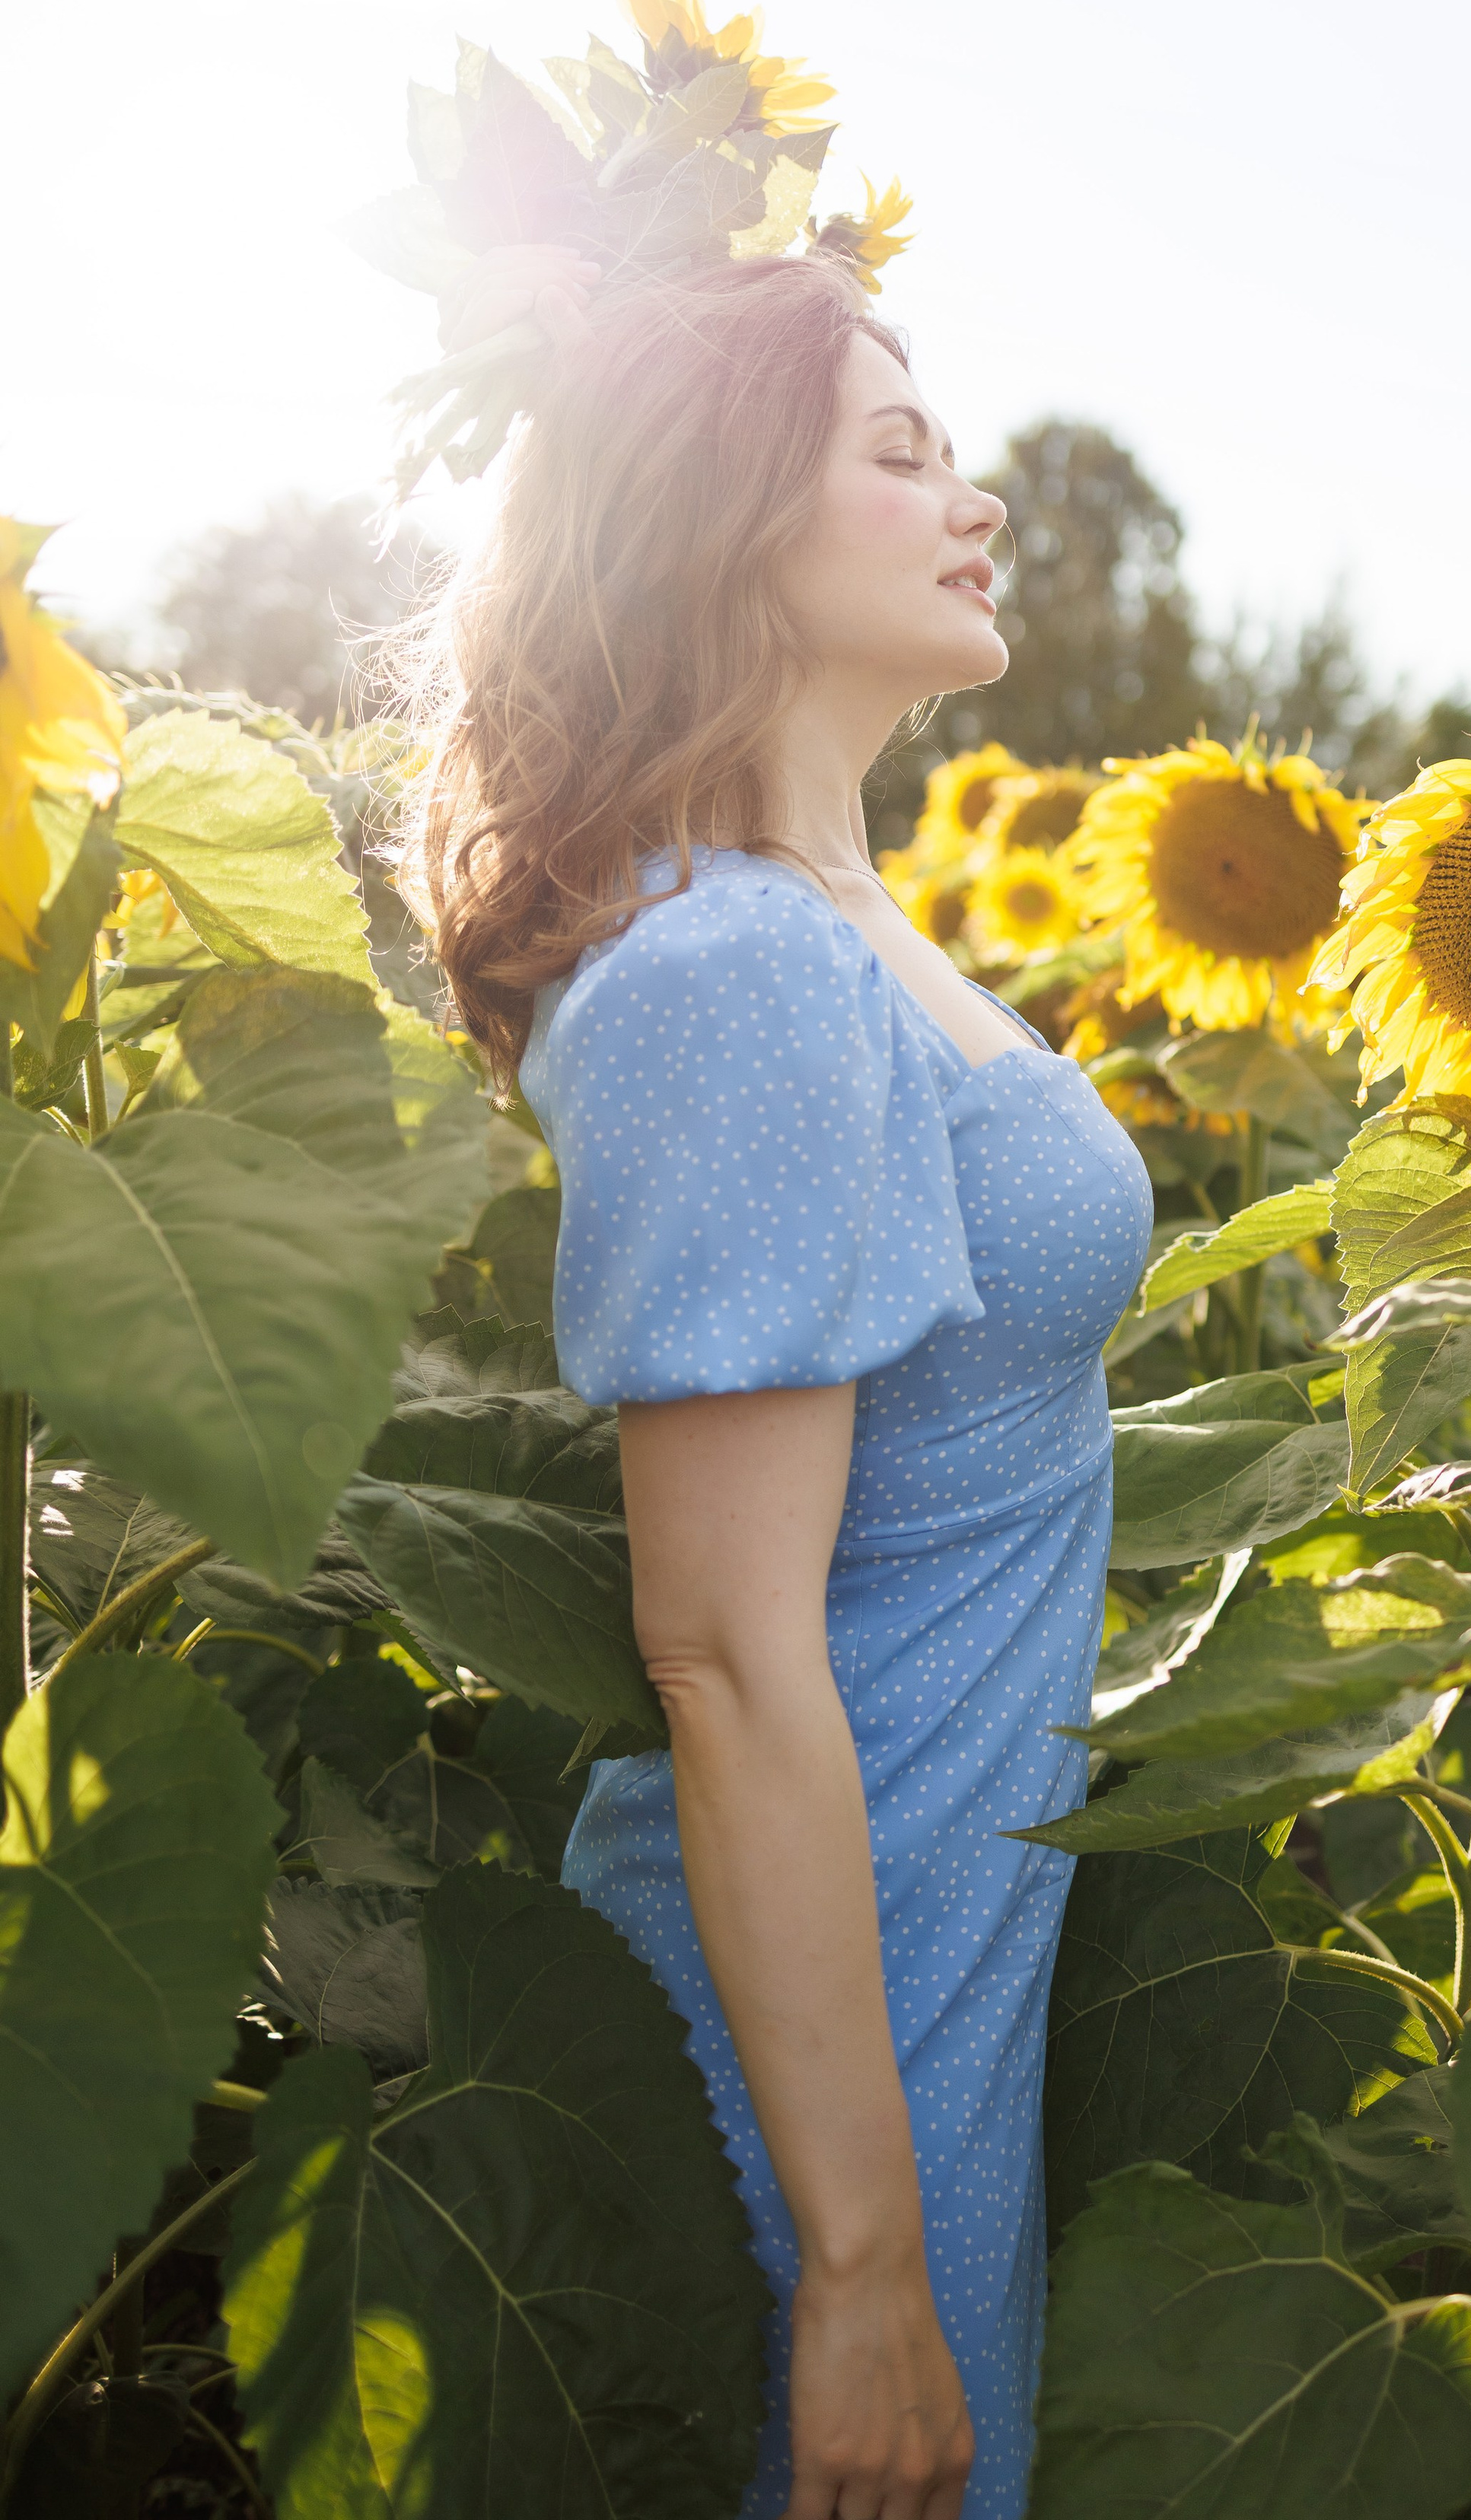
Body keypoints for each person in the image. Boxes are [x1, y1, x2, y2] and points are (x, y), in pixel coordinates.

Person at [402, 242, 1151, 2520]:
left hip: (922, 1989)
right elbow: (723, 1650)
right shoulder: (735, 964)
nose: (977, 498)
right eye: (897, 451)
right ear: (724, 517)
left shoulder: (832, 922)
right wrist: (855, 2262)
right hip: (820, 2052)